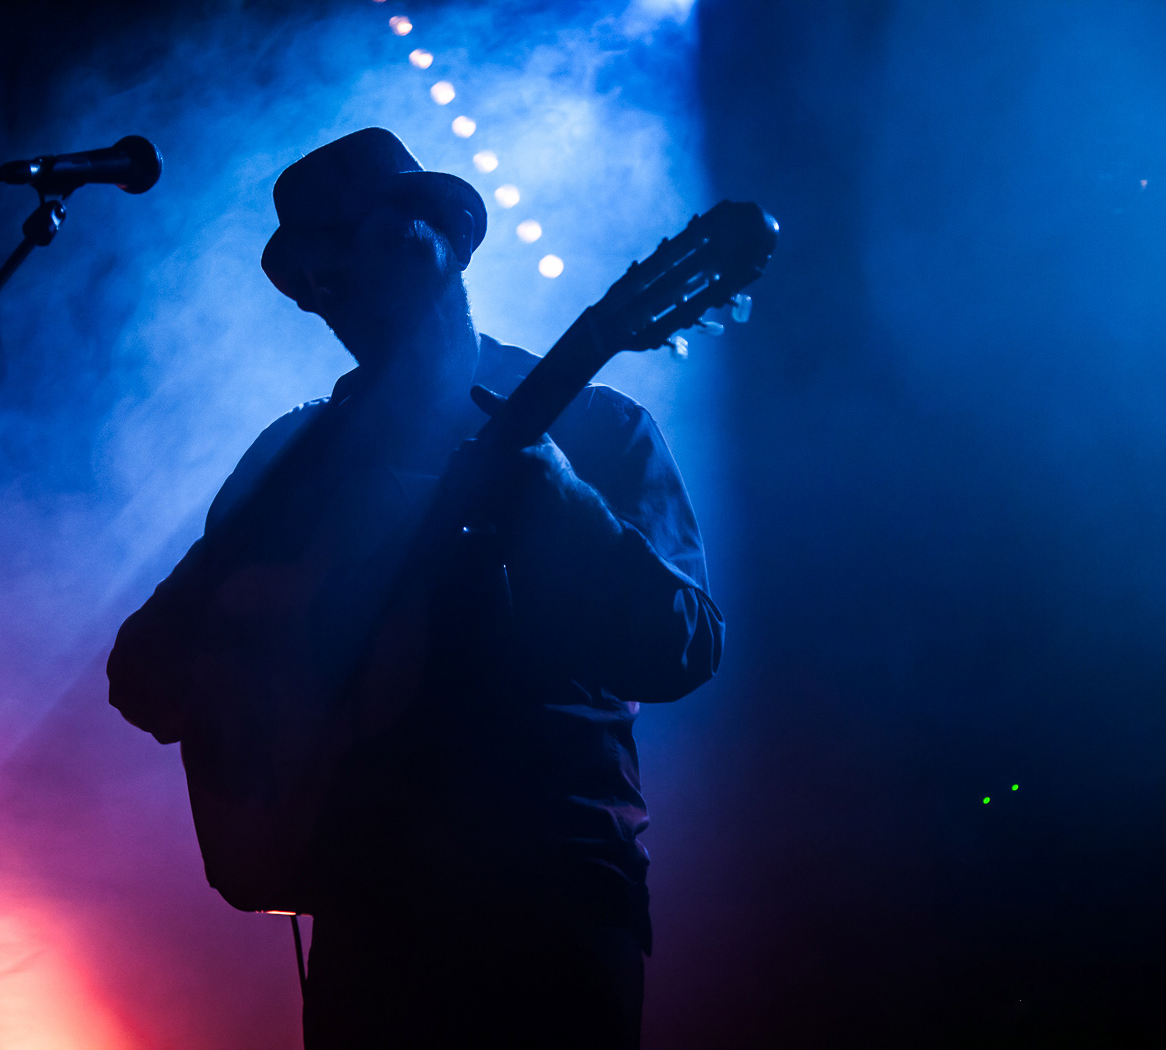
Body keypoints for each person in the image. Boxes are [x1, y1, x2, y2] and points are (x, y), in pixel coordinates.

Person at [108, 127, 723, 1049]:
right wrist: (266, 707)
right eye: (312, 279)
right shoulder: (297, 456)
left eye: (349, 253)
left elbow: (684, 645)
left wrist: (558, 500)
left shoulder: (594, 424)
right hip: (366, 904)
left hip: (548, 891)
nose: (329, 291)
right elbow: (144, 674)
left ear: (436, 240)